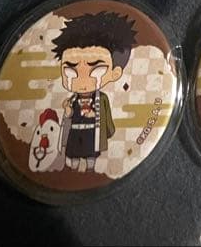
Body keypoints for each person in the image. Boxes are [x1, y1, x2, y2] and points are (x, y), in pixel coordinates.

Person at [51, 11, 137, 172]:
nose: (82, 79)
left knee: (91, 157)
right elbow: (67, 119)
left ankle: (91, 170)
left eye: (96, 69)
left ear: (115, 73)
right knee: (73, 156)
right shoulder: (72, 100)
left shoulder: (101, 98)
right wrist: (68, 112)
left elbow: (107, 119)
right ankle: (74, 172)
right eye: (70, 70)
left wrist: (99, 122)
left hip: (92, 134)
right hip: (74, 134)